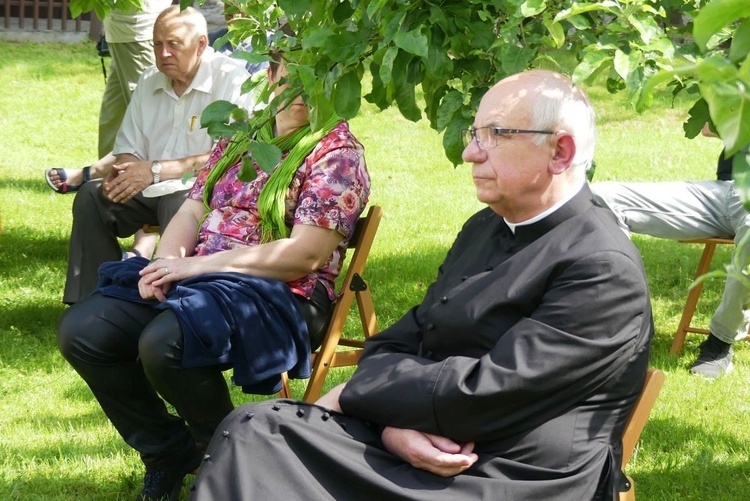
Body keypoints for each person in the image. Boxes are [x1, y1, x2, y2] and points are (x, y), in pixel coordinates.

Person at [189, 70, 654, 501]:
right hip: (432, 436)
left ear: (561, 152)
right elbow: (405, 337)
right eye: (476, 134)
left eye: (495, 135)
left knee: (258, 439)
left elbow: (489, 390)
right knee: (255, 428)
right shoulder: (486, 227)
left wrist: (354, 396)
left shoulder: (601, 266)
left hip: (508, 473)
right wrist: (392, 427)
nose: (471, 152)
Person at [56, 50, 371, 501]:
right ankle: (167, 451)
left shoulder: (337, 155)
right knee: (83, 330)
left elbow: (304, 255)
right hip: (201, 279)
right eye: (291, 79)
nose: (300, 93)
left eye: (316, 81)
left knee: (165, 343)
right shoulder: (245, 138)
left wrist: (194, 266)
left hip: (282, 292)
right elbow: (192, 208)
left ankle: (227, 460)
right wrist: (163, 265)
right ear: (270, 77)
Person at [60, 5, 256, 305]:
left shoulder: (231, 80)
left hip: (202, 192)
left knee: (180, 202)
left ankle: (172, 304)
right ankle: (92, 300)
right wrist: (125, 171)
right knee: (91, 196)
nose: (164, 53)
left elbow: (231, 155)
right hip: (150, 189)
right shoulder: (150, 79)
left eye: (174, 44)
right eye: (157, 44)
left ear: (201, 44)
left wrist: (154, 170)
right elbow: (128, 146)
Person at [591, 124, 746, 379]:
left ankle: (720, 342)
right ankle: (626, 325)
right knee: (602, 197)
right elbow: (707, 126)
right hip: (727, 192)